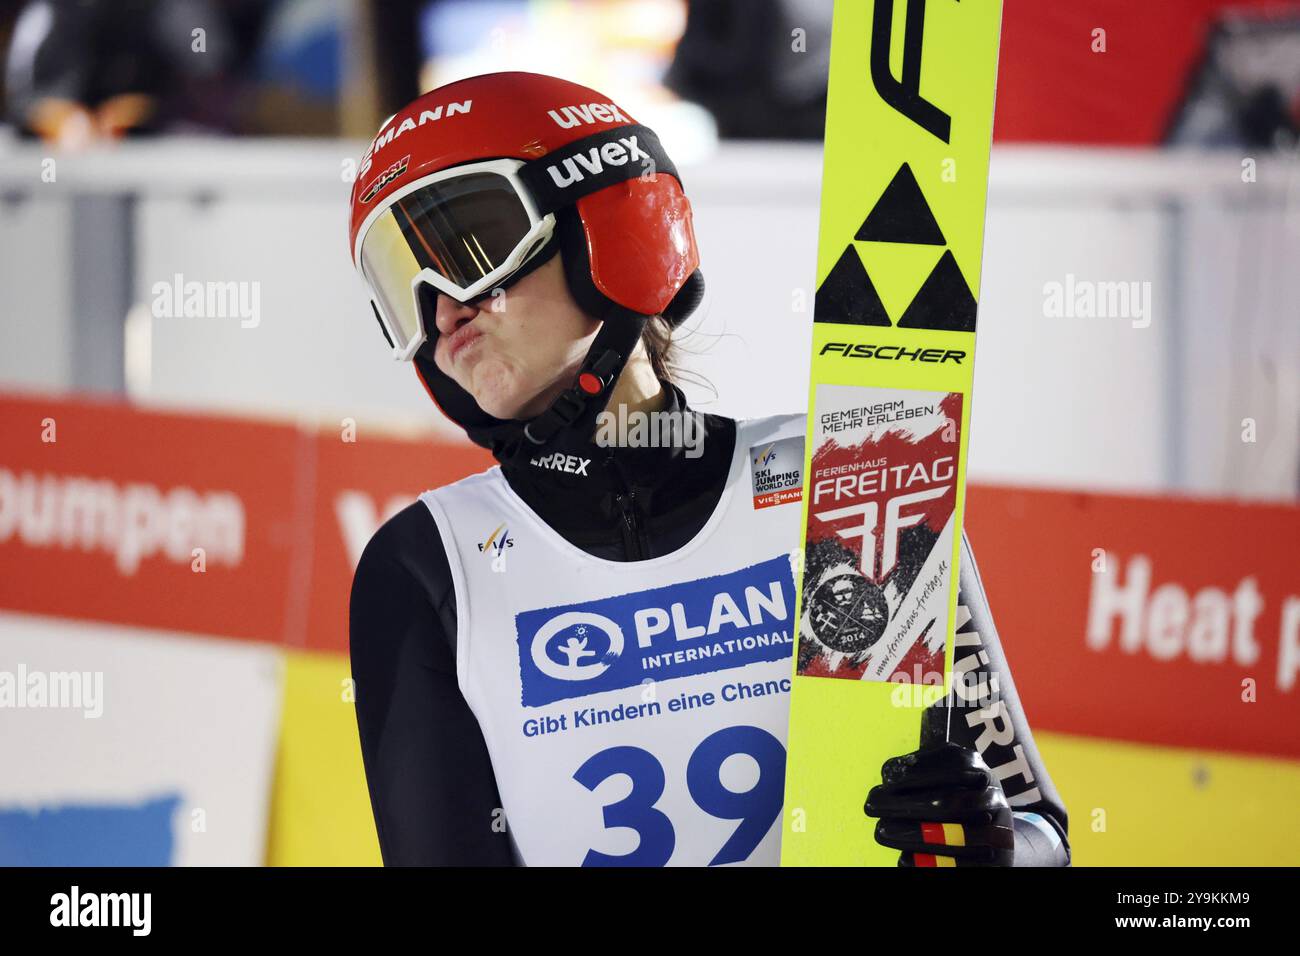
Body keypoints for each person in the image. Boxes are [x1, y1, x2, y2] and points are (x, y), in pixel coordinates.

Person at [346, 71, 1069, 867]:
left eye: (466, 248)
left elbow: (1040, 830)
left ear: (606, 221)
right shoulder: (428, 566)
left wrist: (999, 849)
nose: (442, 308)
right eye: (400, 277)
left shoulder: (853, 475)